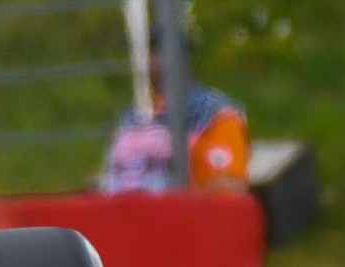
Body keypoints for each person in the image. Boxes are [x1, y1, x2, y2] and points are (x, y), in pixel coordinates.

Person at [101, 34, 249, 193]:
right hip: (128, 213)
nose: (143, 63)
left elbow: (228, 188)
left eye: (153, 53)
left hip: (186, 213)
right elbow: (109, 177)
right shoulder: (132, 116)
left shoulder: (215, 114)